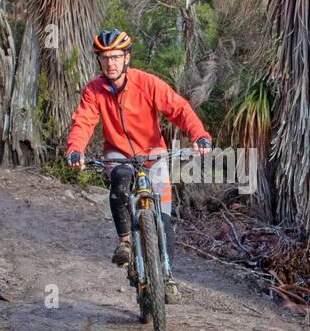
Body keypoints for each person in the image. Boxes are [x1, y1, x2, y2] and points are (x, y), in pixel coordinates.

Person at [65, 29, 211, 304]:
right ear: (99, 61)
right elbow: (83, 121)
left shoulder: (147, 83)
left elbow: (178, 108)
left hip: (153, 154)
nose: (111, 63)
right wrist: (75, 150)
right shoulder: (94, 90)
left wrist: (199, 134)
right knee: (120, 179)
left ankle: (166, 278)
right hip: (118, 152)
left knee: (164, 219)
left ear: (127, 58)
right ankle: (125, 242)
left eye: (116, 57)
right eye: (105, 58)